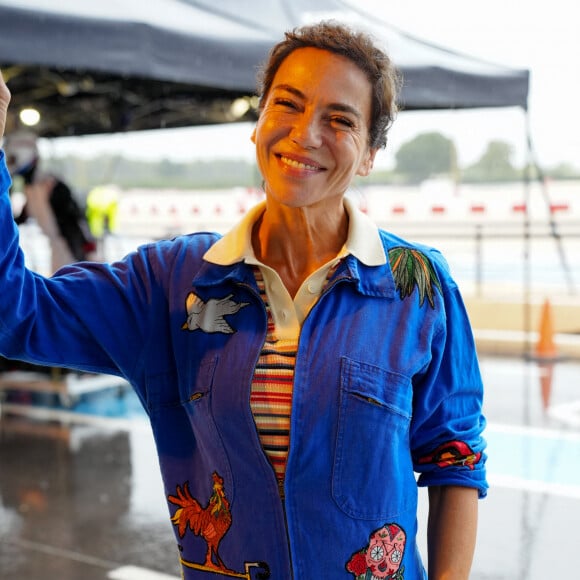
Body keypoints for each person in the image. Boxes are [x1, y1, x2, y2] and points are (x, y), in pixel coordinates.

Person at [0, 21, 487, 579]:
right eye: (288, 104)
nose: (305, 134)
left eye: (340, 120)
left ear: (371, 153)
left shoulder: (418, 286)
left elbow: (455, 460)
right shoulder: (172, 282)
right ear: (258, 124)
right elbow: (15, 314)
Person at [3, 129, 95, 273]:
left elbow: (74, 221)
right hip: (59, 247)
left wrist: (83, 251)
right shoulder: (32, 188)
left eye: (11, 159)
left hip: (69, 248)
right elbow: (20, 217)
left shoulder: (51, 186)